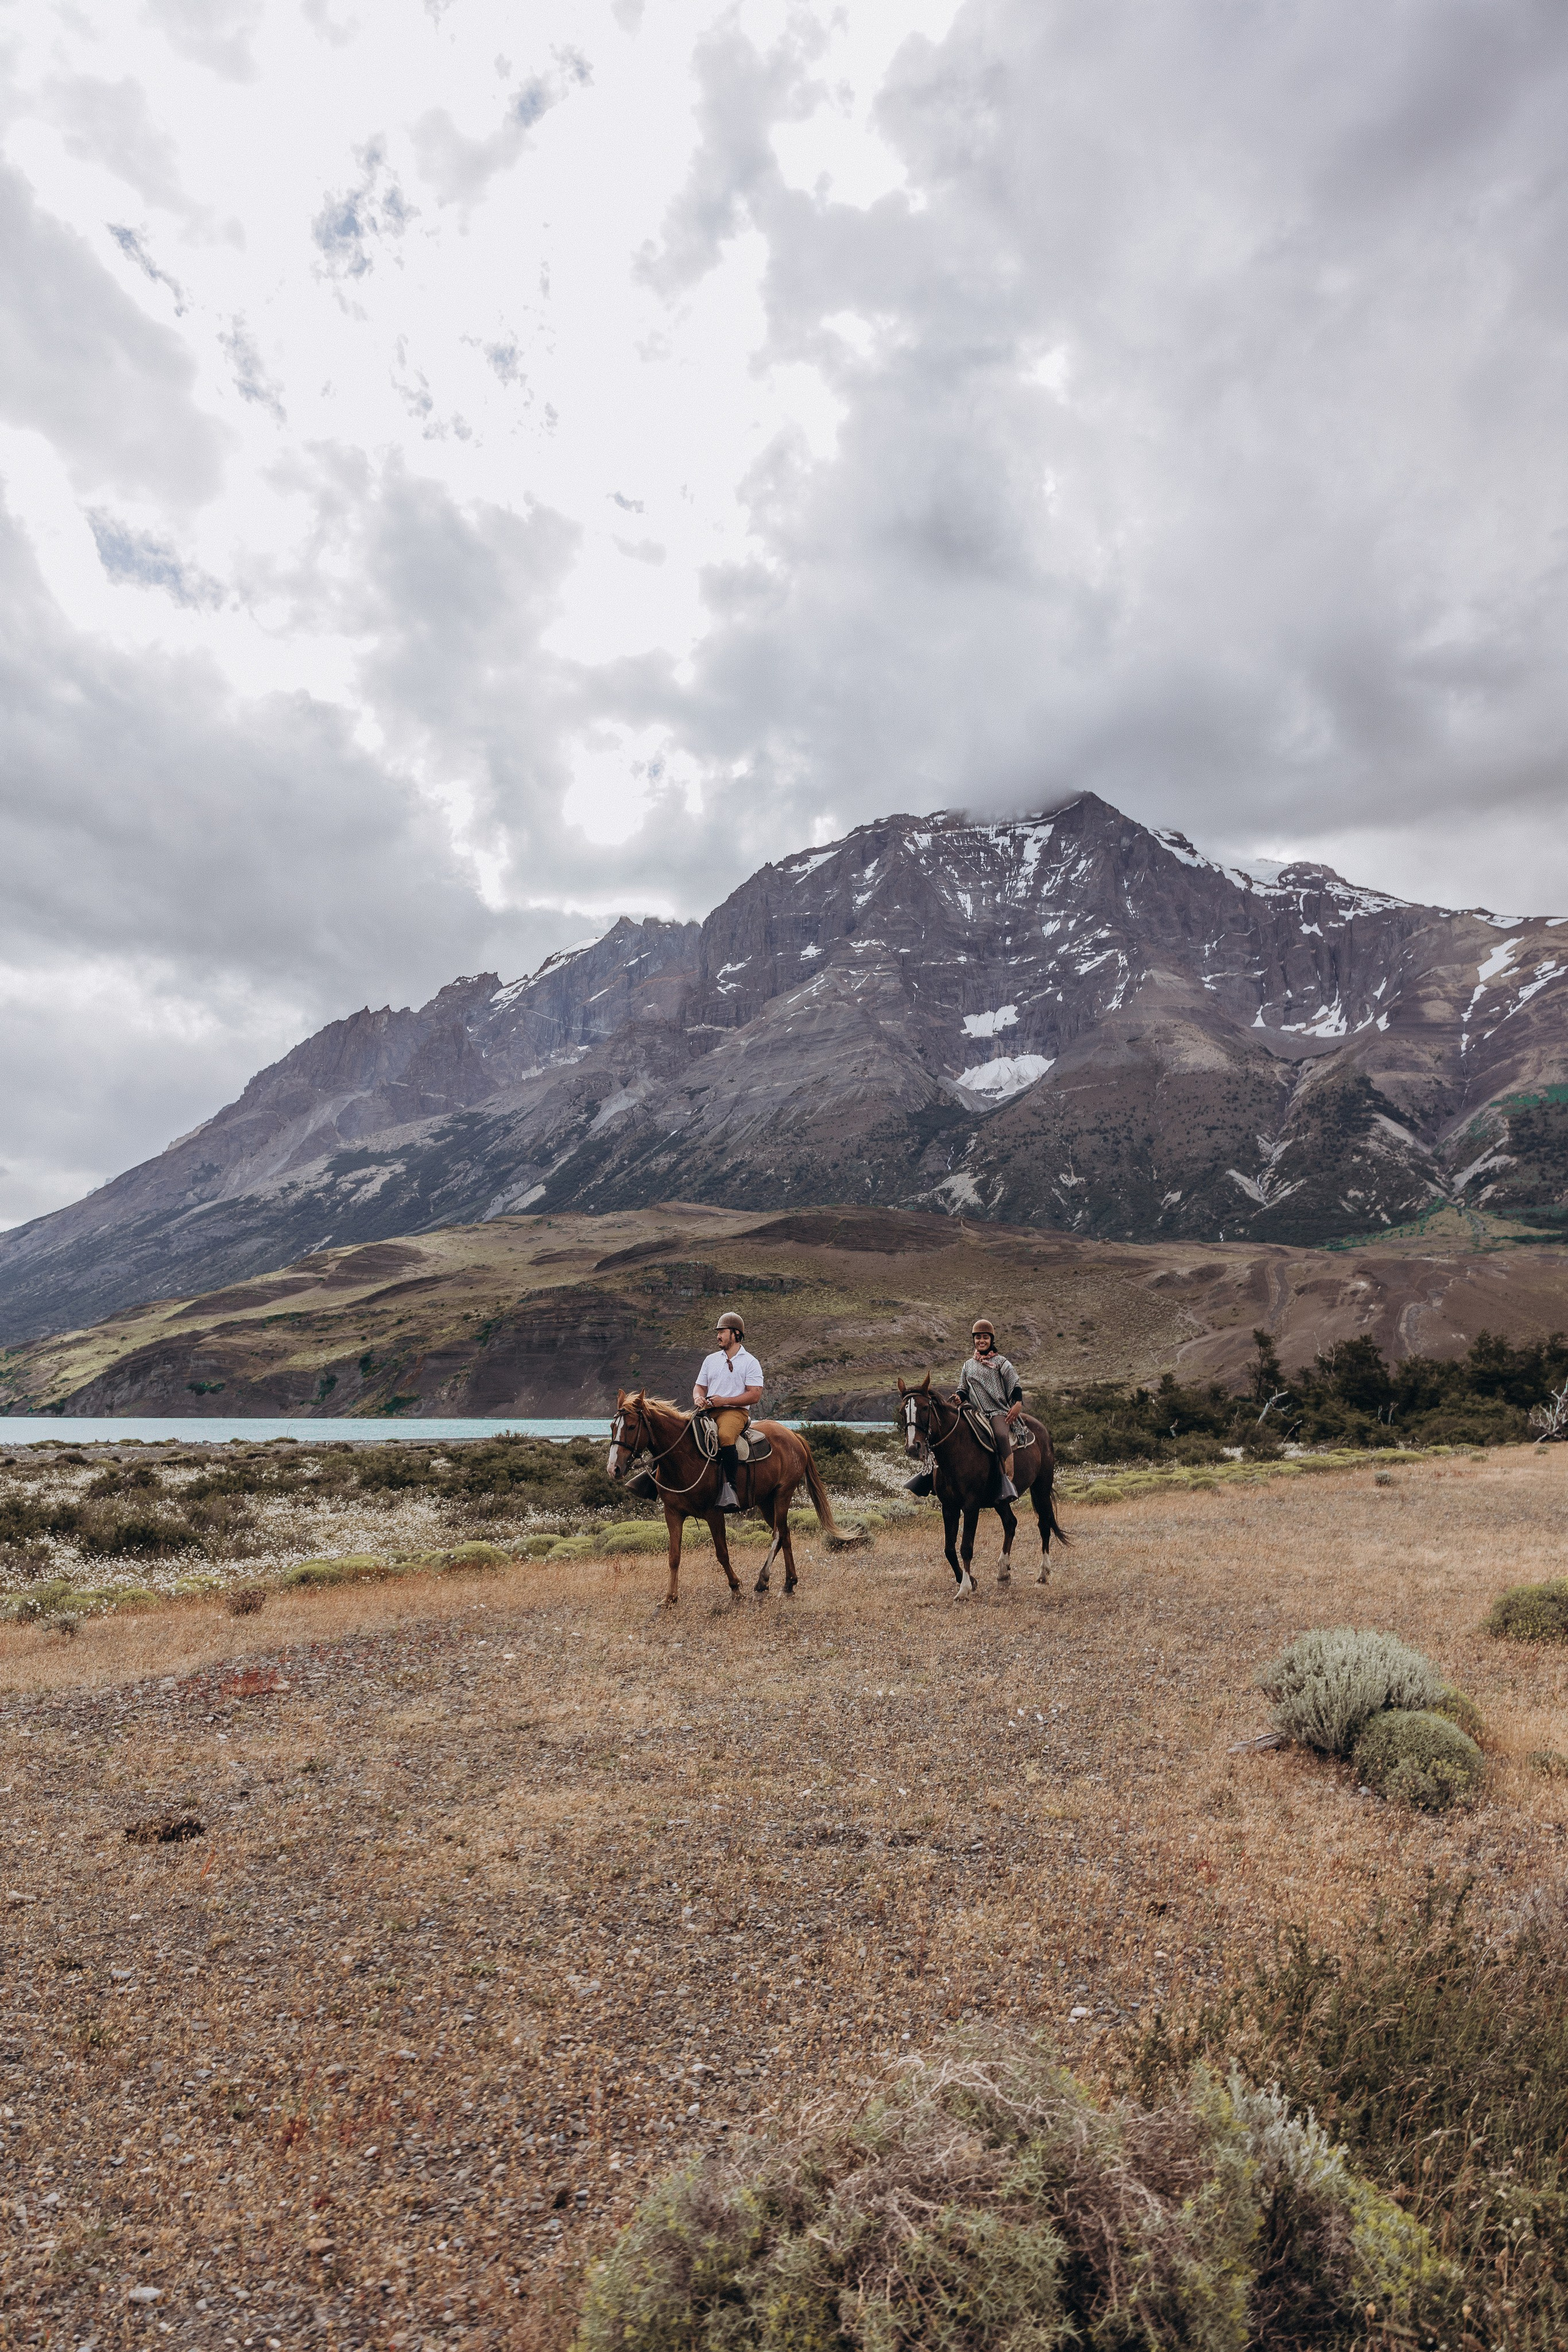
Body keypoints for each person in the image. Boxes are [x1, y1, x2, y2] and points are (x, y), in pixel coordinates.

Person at [693, 1311, 764, 1512]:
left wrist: (725, 1400)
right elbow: (700, 1387)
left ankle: (730, 1488)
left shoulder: (750, 1362)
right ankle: (652, 1479)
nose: (718, 1336)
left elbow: (754, 1395)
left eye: (722, 1332)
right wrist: (698, 1397)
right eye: (718, 1332)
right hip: (708, 1410)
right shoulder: (710, 1360)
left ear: (736, 1334)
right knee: (677, 1430)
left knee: (725, 1436)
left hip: (735, 1413)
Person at [957, 1318, 1025, 1501]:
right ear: (974, 1340)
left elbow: (1015, 1384)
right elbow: (963, 1389)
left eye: (985, 1337)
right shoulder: (967, 1365)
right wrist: (958, 1397)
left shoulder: (1002, 1362)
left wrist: (1018, 1404)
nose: (981, 1341)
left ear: (991, 1340)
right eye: (978, 1337)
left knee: (1001, 1435)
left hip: (997, 1411)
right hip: (974, 1410)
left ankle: (1008, 1479)